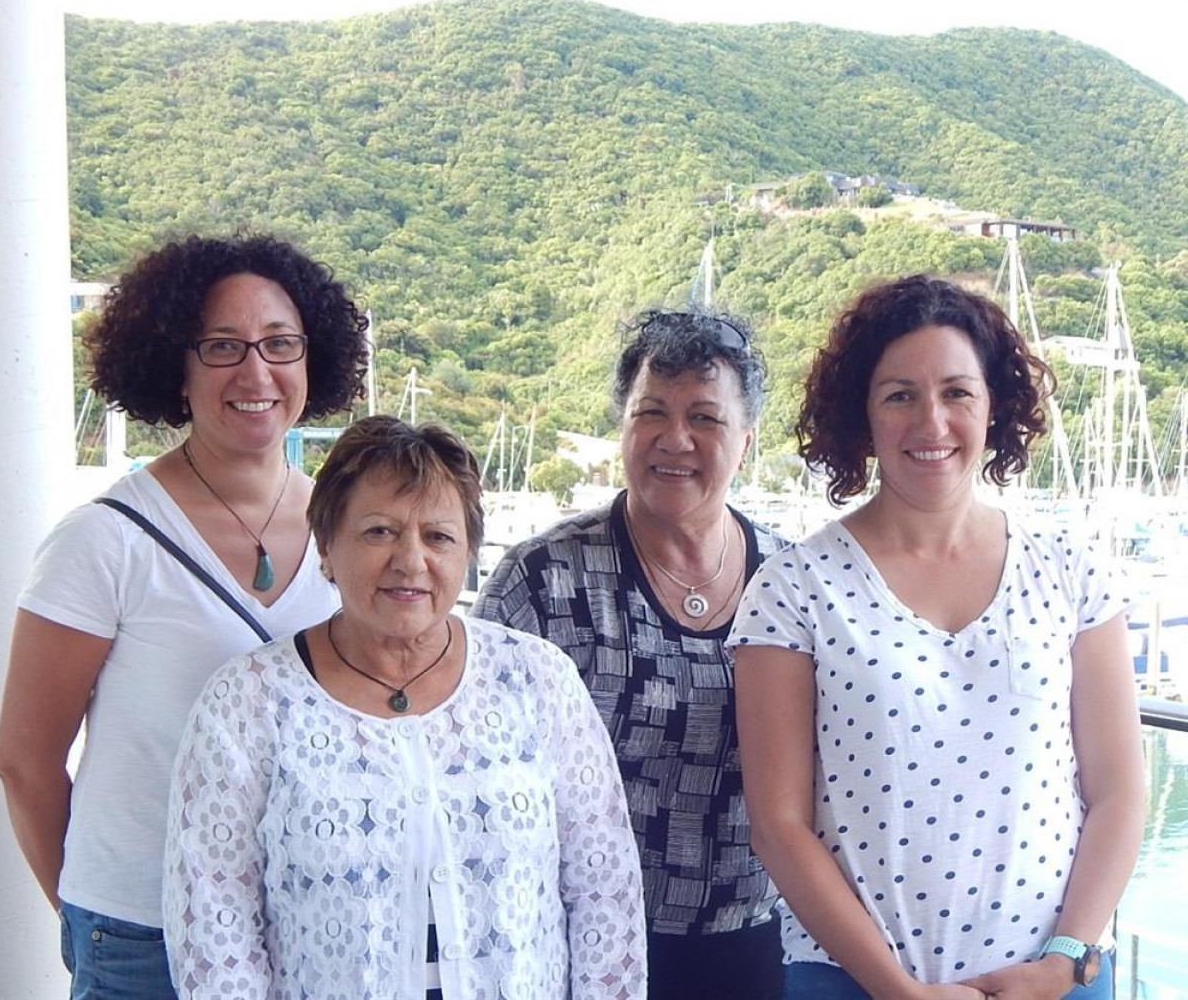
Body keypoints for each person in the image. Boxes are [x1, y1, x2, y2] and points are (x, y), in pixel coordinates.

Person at [729, 274, 1145, 1000]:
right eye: (900, 395)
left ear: (994, 406)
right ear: (862, 413)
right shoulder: (794, 590)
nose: (932, 422)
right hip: (852, 983)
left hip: (1054, 980)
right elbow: (779, 824)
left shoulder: (1072, 573)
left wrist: (1065, 959)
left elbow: (1117, 788)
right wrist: (898, 990)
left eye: (957, 392)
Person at [0, 233, 367, 999]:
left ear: (311, 359)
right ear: (178, 366)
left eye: (279, 344)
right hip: (145, 933)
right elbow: (25, 760)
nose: (256, 372)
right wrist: (86, 914)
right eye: (223, 346)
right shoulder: (104, 541)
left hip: (313, 923)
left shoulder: (351, 523)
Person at [162, 415, 646, 999]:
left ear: (467, 551)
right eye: (379, 532)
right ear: (327, 546)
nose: (411, 560)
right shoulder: (246, 704)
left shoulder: (537, 679)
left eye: (438, 536)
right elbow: (216, 934)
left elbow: (604, 893)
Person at [473, 308, 788, 1000]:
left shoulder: (792, 583)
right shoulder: (542, 580)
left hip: (751, 944)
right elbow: (468, 777)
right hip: (575, 946)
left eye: (705, 418)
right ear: (623, 426)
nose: (675, 439)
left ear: (746, 439)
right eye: (652, 413)